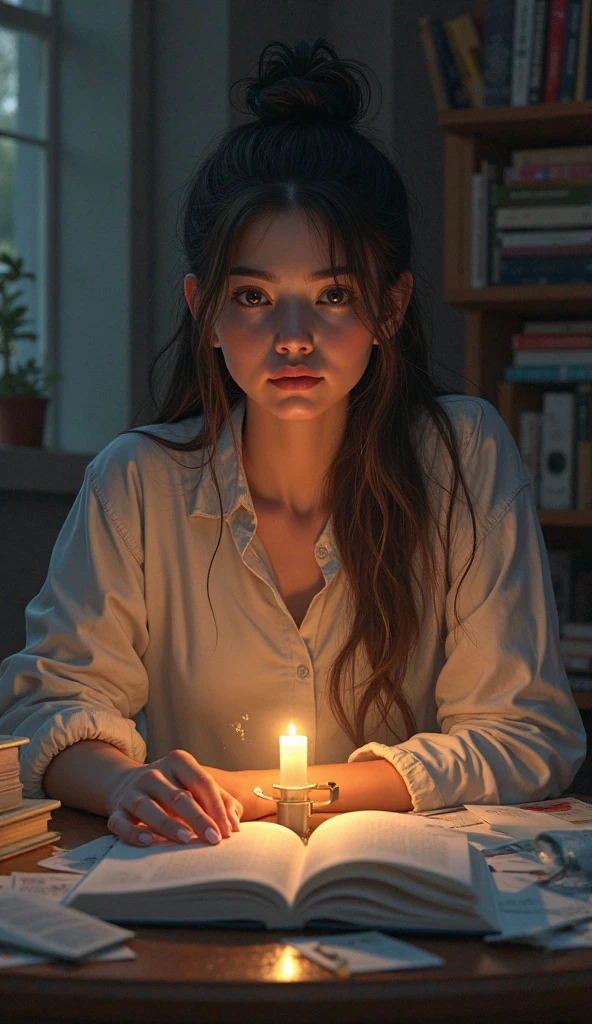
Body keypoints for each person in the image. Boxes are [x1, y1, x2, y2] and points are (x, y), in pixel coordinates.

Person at [0, 39, 586, 850]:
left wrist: (274, 792)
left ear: (389, 307)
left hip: (412, 889)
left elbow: (526, 734)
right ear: (204, 311)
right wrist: (128, 782)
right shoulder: (136, 483)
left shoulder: (465, 457)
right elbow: (47, 707)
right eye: (254, 296)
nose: (293, 339)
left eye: (333, 294)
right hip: (200, 878)